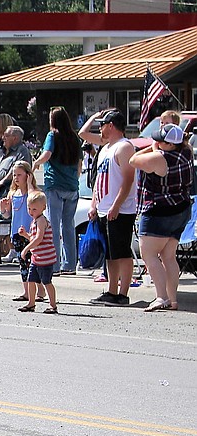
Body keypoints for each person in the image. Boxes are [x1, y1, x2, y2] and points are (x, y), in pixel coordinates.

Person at [129, 123, 192, 312]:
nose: (156, 142)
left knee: (149, 254)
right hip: (181, 209)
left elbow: (133, 160)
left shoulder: (159, 158)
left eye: (160, 140)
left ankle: (161, 296)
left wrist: (151, 147)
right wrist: (158, 145)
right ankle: (172, 299)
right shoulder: (186, 152)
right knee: (168, 256)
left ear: (170, 144)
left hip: (158, 211)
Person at [79, 108, 137, 305]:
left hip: (120, 210)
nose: (100, 129)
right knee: (110, 254)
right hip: (103, 208)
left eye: (102, 124)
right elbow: (98, 181)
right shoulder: (105, 148)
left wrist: (116, 205)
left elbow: (128, 180)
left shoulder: (124, 147)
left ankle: (123, 293)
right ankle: (112, 290)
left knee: (122, 252)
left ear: (111, 126)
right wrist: (95, 204)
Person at [34, 107, 83, 276]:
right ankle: (70, 264)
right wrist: (74, 179)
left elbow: (47, 154)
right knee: (68, 226)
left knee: (53, 226)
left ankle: (54, 265)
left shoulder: (52, 135)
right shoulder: (74, 138)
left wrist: (35, 163)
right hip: (72, 187)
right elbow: (79, 165)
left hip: (55, 184)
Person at [0, 125, 30, 260]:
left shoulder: (22, 151)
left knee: (10, 221)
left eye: (6, 136)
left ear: (15, 138)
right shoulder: (2, 151)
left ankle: (12, 249)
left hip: (8, 191)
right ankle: (1, 250)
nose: (3, 138)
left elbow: (16, 169)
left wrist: (3, 181)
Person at [0, 161, 46, 303]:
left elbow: (31, 199)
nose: (16, 178)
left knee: (34, 263)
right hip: (17, 234)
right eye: (14, 175)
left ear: (28, 175)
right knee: (23, 263)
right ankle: (26, 291)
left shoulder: (33, 194)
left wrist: (30, 184)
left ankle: (40, 290)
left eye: (19, 175)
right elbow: (8, 215)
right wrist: (3, 209)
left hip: (30, 234)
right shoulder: (13, 193)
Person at [18, 191, 57, 314]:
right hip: (37, 258)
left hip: (46, 258)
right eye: (29, 208)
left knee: (47, 282)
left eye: (34, 209)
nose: (31, 212)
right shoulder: (34, 221)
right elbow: (34, 239)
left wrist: (26, 249)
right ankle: (31, 303)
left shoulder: (41, 221)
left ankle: (53, 305)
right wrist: (26, 235)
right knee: (31, 280)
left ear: (43, 208)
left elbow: (39, 239)